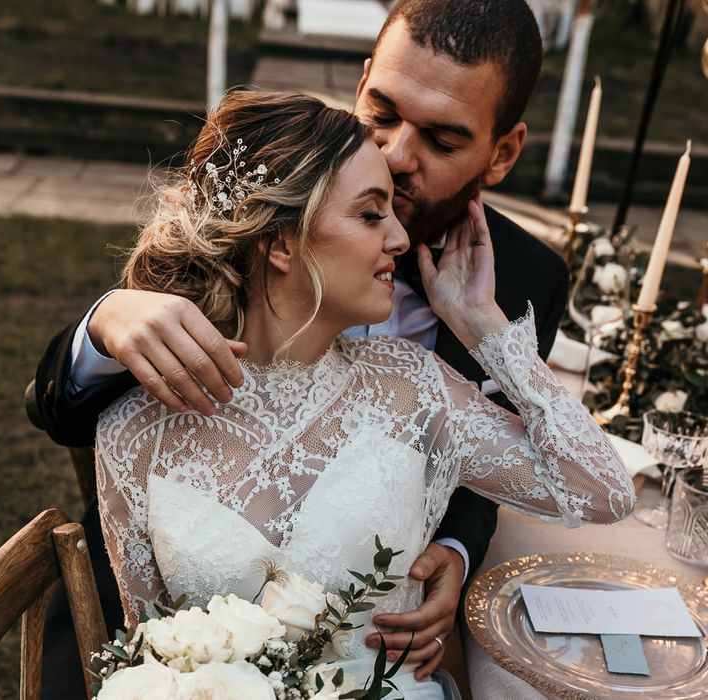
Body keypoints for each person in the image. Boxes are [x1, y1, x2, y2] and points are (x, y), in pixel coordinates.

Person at [35, 0, 568, 690]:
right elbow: (61, 414)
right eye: (383, 112)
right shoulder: (271, 199)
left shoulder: (527, 280)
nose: (395, 153)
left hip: (370, 642)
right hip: (170, 636)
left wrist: (459, 550)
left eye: (441, 140)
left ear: (501, 153)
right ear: (364, 79)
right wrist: (107, 321)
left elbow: (490, 457)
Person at [95, 90, 634, 699]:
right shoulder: (135, 430)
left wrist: (483, 323)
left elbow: (604, 493)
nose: (401, 239)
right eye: (371, 214)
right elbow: (151, 657)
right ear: (281, 242)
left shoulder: (414, 390)